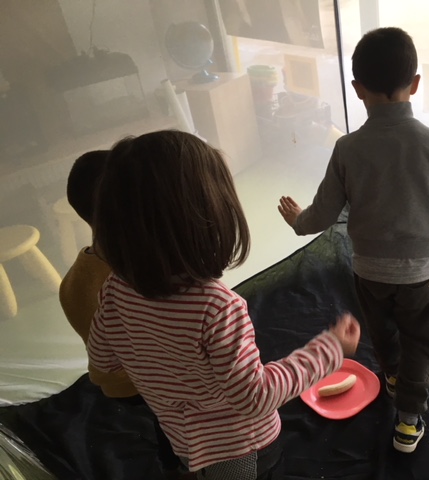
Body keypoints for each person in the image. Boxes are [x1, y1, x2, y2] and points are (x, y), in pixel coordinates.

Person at [86, 130, 360, 479]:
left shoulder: (113, 290)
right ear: (209, 220)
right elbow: (256, 398)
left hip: (180, 437)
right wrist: (330, 349)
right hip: (242, 450)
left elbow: (103, 361)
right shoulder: (217, 307)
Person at [277, 27, 429, 454]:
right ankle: (408, 421)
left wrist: (298, 221)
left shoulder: (348, 149)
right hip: (421, 276)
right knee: (423, 344)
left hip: (369, 273)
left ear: (357, 89)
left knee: (383, 330)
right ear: (415, 84)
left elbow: (322, 214)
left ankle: (391, 374)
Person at [59, 150, 191, 480]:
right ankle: (180, 465)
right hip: (137, 383)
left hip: (122, 376)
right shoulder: (120, 281)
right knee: (173, 418)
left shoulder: (80, 277)